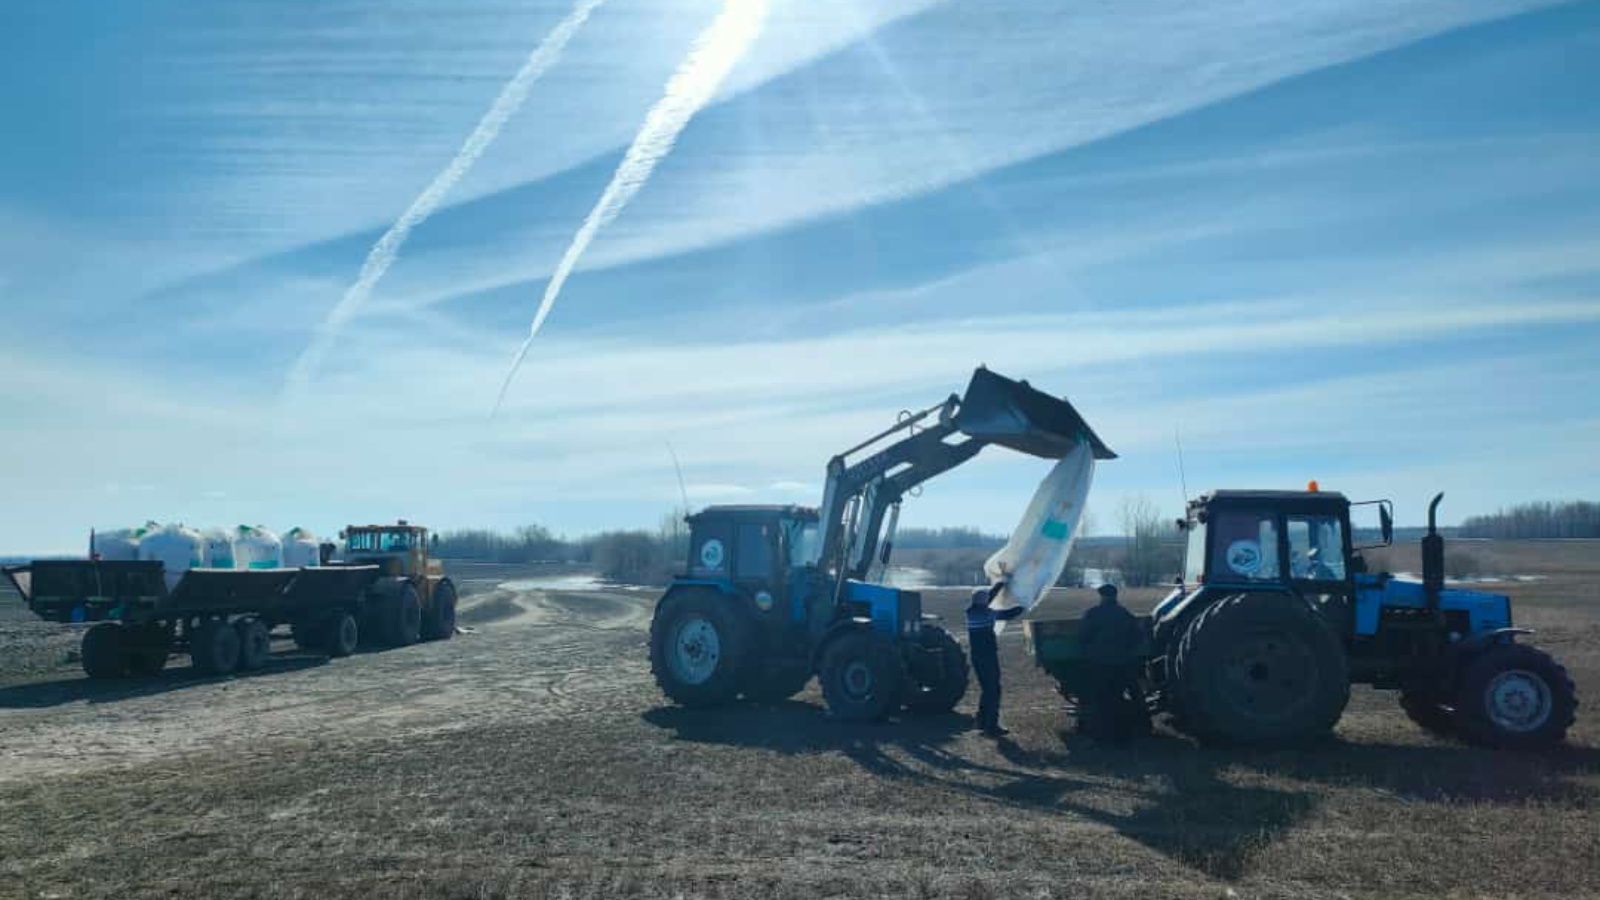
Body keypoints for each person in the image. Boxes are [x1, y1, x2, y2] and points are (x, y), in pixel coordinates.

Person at [1077, 583, 1149, 740]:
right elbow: (1138, 636)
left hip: (1099, 664)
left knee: (1098, 696)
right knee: (1127, 694)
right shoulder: (1125, 614)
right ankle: (1141, 725)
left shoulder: (1093, 614)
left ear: (1102, 596)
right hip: (1123, 663)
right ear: (1115, 596)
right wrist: (1126, 650)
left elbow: (1082, 637)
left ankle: (1097, 729)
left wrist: (1091, 651)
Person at [967, 582, 1026, 737]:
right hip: (987, 657)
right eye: (986, 599)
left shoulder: (971, 611)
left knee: (987, 689)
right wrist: (1024, 604)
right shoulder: (987, 614)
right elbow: (1008, 614)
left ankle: (981, 721)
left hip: (977, 656)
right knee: (993, 690)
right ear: (982, 601)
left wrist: (999, 585)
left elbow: (987, 598)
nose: (988, 600)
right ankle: (991, 726)